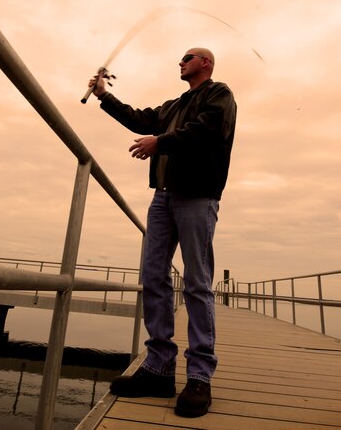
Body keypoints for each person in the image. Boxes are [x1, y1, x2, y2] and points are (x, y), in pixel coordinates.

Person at [87, 47, 236, 418]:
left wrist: (162, 141)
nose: (180, 62)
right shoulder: (172, 105)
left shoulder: (219, 94)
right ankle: (159, 368)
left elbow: (208, 128)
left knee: (197, 282)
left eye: (188, 57)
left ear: (205, 63)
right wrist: (104, 95)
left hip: (197, 197)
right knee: (153, 276)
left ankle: (200, 376)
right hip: (163, 198)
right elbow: (139, 120)